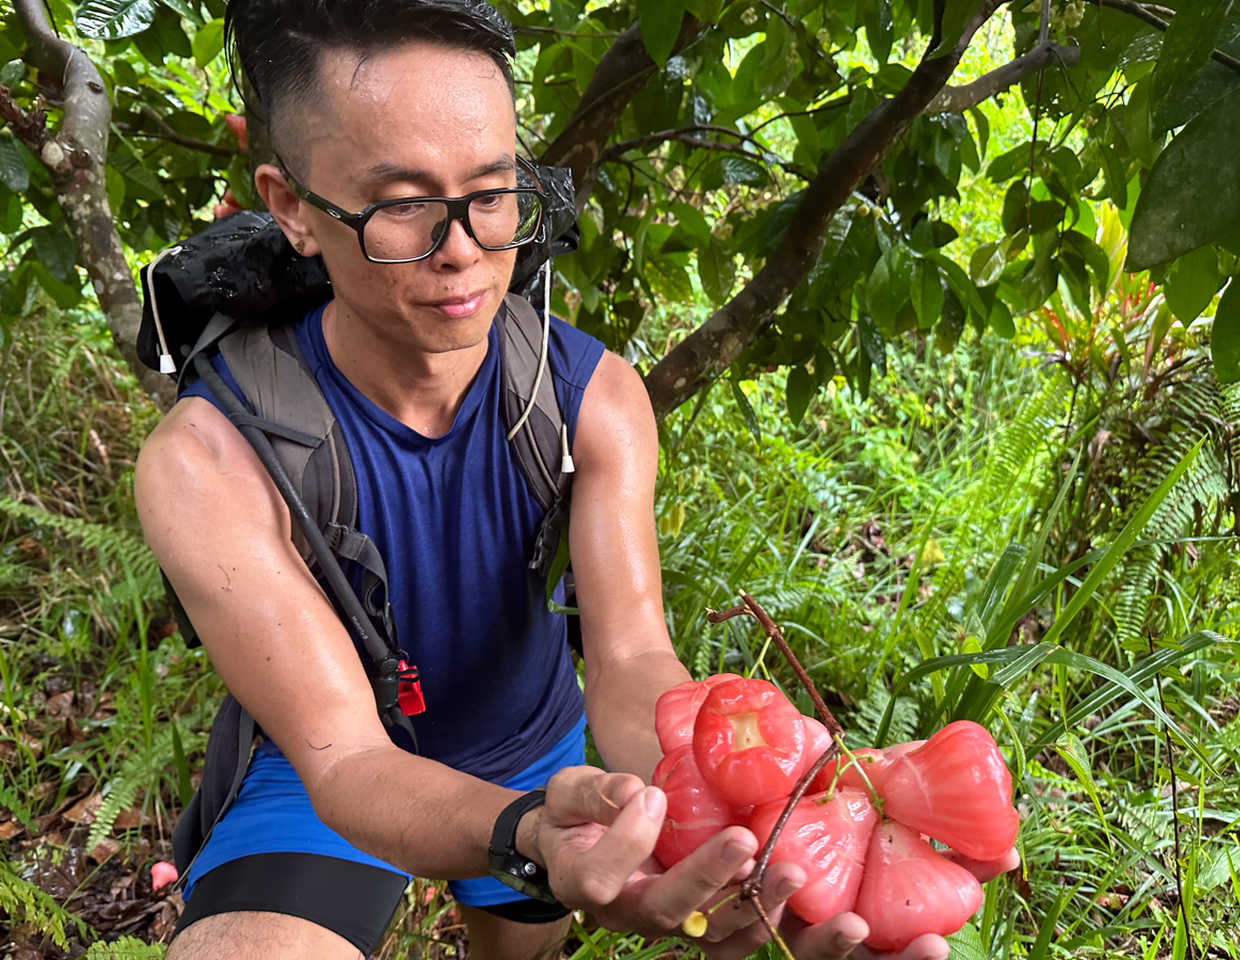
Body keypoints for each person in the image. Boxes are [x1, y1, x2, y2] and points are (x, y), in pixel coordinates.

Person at [133, 2, 1015, 958]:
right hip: (324, 782)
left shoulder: (589, 399)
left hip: (537, 759)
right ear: (295, 207)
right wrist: (527, 830)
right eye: (399, 207)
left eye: (493, 190)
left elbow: (633, 659)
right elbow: (346, 760)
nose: (465, 248)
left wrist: (732, 822)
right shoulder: (211, 460)